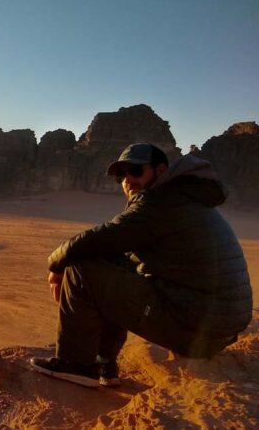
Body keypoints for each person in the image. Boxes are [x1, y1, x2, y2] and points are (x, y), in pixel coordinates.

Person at [30, 143, 253, 387]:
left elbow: (101, 238)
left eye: (135, 170)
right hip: (215, 327)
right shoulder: (183, 197)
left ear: (160, 170)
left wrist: (55, 266)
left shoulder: (161, 202)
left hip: (196, 329)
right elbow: (113, 250)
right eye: (121, 175)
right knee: (112, 264)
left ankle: (78, 365)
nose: (127, 179)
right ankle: (103, 362)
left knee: (81, 266)